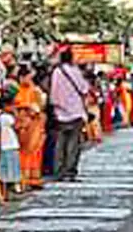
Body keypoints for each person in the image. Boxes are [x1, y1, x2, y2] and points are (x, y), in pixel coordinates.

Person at [50, 48, 91, 181]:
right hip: (75, 112)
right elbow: (84, 89)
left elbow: (53, 93)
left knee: (60, 143)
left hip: (60, 112)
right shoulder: (75, 71)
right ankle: (70, 171)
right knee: (73, 143)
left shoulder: (56, 72)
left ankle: (59, 171)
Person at [13, 64, 48, 189]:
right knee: (23, 152)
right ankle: (23, 179)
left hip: (34, 125)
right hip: (22, 124)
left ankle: (33, 178)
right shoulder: (16, 90)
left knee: (35, 152)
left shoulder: (35, 91)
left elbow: (40, 107)